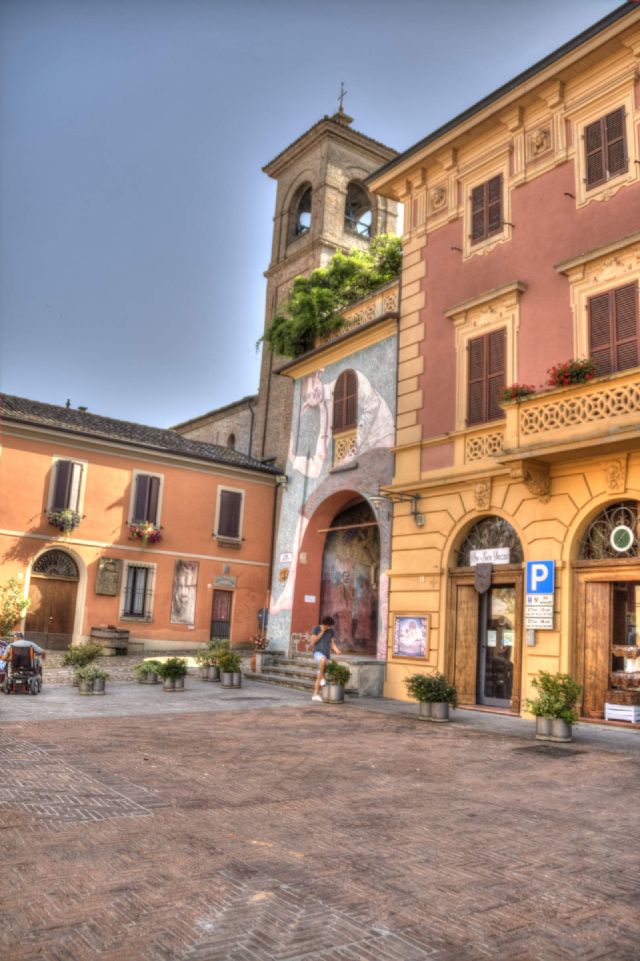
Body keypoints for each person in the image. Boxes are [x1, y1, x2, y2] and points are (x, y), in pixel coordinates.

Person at [307, 615, 341, 702]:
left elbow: (332, 643)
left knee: (319, 675)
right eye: (328, 625)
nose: (329, 627)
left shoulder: (331, 631)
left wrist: (336, 650)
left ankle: (315, 695)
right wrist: (322, 632)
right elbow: (313, 641)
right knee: (322, 659)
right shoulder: (317, 628)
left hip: (326, 654)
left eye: (330, 626)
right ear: (324, 624)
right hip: (317, 652)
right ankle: (323, 678)